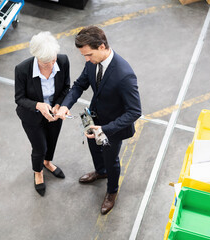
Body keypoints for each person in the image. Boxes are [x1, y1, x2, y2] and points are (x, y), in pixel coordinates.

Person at [57, 26, 141, 214]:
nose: (86, 60)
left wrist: (106, 129)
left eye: (88, 55)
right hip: (93, 117)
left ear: (102, 46)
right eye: (84, 56)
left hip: (112, 126)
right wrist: (65, 106)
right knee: (94, 149)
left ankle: (112, 191)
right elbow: (79, 85)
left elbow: (135, 111)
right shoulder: (92, 62)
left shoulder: (124, 75)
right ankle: (100, 172)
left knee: (111, 160)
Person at [14, 31, 70, 196]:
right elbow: (19, 98)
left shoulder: (63, 60)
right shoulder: (22, 70)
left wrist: (58, 104)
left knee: (52, 141)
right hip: (32, 116)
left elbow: (66, 87)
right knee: (40, 147)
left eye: (53, 60)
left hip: (55, 113)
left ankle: (47, 162)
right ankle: (38, 171)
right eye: (46, 63)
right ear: (36, 57)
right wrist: (39, 105)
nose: (52, 65)